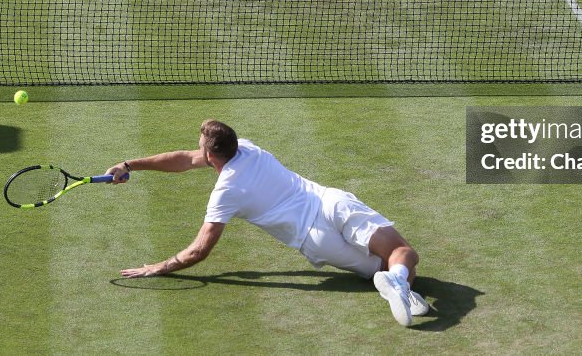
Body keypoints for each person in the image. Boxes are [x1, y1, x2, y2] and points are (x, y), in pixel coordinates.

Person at [105, 119, 429, 327]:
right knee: (402, 252)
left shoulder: (226, 193)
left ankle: (396, 282)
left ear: (209, 157)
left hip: (316, 240)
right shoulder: (248, 147)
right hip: (332, 202)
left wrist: (158, 267)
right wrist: (130, 164)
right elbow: (184, 158)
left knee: (381, 269)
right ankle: (400, 281)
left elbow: (199, 251)